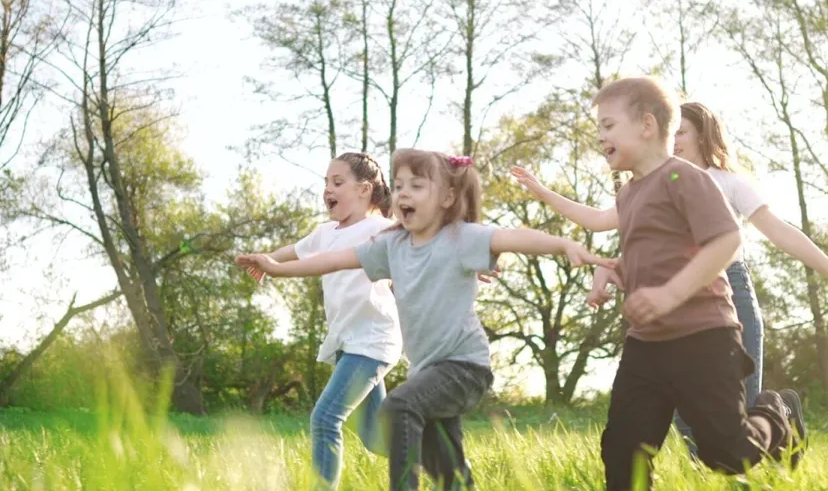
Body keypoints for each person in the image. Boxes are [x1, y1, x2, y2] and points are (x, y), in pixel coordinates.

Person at [237, 148, 613, 491]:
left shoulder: (459, 237)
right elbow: (335, 259)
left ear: (447, 198)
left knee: (399, 407)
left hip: (465, 367)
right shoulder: (392, 245)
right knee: (448, 472)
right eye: (399, 185)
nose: (403, 194)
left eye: (417, 186)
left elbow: (515, 236)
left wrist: (564, 245)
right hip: (427, 372)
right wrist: (277, 268)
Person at [512, 100, 828, 455]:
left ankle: (780, 411)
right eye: (671, 132)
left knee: (738, 411)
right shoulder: (648, 187)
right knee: (688, 419)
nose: (673, 139)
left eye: (682, 131)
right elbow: (598, 219)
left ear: (703, 134)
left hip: (729, 294)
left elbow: (778, 231)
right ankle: (731, 464)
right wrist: (543, 192)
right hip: (675, 303)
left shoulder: (726, 182)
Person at [581, 76, 804, 490]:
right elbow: (647, 258)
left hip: (704, 336)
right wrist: (612, 274)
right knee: (623, 450)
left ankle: (778, 413)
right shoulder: (628, 194)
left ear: (646, 125)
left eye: (608, 125)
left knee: (725, 452)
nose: (600, 137)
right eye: (599, 128)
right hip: (646, 343)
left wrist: (670, 294)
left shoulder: (684, 178)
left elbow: (727, 240)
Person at [243, 152, 401, 491]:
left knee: (326, 418)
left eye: (337, 182)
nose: (328, 189)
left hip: (373, 340)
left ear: (364, 189)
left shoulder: (382, 228)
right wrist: (266, 261)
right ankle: (442, 461)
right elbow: (295, 251)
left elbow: (424, 248)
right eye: (326, 183)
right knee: (376, 439)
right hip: (348, 341)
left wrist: (470, 264)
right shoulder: (326, 231)